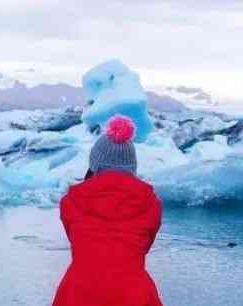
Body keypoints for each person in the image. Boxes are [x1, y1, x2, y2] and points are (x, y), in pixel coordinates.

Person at [53, 115, 163, 306]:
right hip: (134, 294)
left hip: (79, 293)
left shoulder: (70, 201)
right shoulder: (151, 203)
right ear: (132, 166)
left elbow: (78, 242)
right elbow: (143, 246)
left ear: (94, 164)